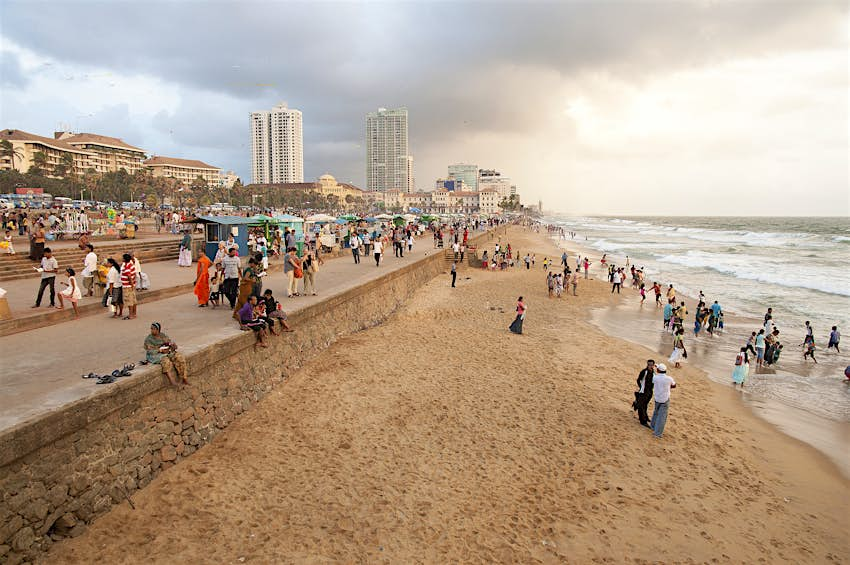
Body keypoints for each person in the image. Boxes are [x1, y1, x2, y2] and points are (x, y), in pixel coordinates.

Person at [650, 363, 676, 438]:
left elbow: (655, 375)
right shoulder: (669, 378)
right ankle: (657, 433)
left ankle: (653, 426)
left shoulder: (655, 378)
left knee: (656, 412)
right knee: (662, 416)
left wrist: (655, 367)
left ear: (658, 370)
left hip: (657, 397)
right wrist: (668, 386)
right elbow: (674, 385)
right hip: (665, 399)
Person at [633, 359, 655, 428]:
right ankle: (643, 421)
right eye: (649, 365)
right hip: (643, 391)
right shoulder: (644, 372)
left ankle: (645, 416)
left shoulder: (653, 372)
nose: (650, 366)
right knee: (641, 406)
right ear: (647, 364)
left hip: (650, 391)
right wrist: (641, 387)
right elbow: (638, 380)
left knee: (645, 404)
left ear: (653, 365)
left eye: (651, 365)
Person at [120, 253, 137, 320]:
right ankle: (134, 313)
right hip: (131, 285)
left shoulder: (127, 266)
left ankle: (131, 315)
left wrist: (131, 284)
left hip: (127, 286)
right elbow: (134, 274)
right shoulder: (131, 265)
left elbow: (129, 275)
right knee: (133, 300)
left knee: (129, 301)